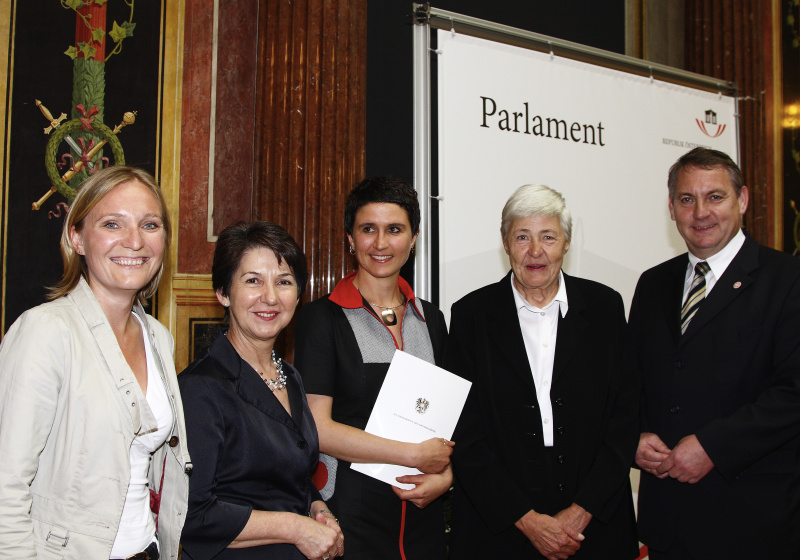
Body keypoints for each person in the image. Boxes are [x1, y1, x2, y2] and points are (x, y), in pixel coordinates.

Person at [0, 166, 191, 560]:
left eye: (150, 224)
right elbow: (5, 488)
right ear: (78, 237)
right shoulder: (46, 332)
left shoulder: (158, 337)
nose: (134, 241)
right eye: (112, 224)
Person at [447, 184, 639, 560]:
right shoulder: (471, 315)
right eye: (522, 236)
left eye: (548, 236)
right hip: (500, 524)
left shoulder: (605, 307)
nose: (535, 251)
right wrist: (527, 520)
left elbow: (625, 418)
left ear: (566, 242)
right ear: (505, 243)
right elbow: (464, 430)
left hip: (596, 522)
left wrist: (581, 512)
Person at [630, 147, 800, 559]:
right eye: (687, 199)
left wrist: (713, 446)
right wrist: (632, 435)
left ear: (741, 200)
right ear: (671, 209)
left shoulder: (788, 279)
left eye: (715, 197)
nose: (701, 212)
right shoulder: (653, 284)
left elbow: (794, 392)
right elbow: (630, 381)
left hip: (756, 521)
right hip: (668, 521)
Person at [293, 177, 452, 560]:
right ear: (350, 238)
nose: (381, 244)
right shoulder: (321, 319)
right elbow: (319, 429)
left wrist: (446, 477)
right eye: (368, 229)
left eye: (394, 230)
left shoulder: (432, 318)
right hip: (350, 516)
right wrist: (412, 456)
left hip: (421, 517)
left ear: (414, 239)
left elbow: (445, 419)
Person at [178, 221, 344, 560]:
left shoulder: (290, 377)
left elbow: (290, 474)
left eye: (283, 282)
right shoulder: (200, 388)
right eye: (253, 280)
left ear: (298, 295)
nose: (270, 297)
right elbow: (194, 516)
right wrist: (296, 527)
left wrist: (317, 508)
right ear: (223, 292)